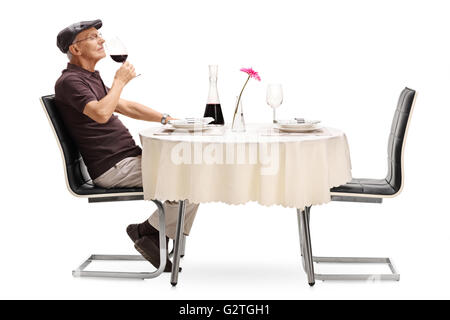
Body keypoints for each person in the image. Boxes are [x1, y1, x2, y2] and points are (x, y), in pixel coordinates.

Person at [54, 19, 199, 272]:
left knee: (196, 174)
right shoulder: (69, 82)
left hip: (126, 160)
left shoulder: (88, 78)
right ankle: (148, 232)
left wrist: (168, 119)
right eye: (92, 37)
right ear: (75, 50)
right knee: (195, 179)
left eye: (100, 35)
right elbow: (101, 113)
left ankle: (152, 236)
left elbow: (124, 106)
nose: (101, 40)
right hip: (114, 167)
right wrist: (120, 81)